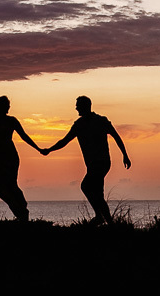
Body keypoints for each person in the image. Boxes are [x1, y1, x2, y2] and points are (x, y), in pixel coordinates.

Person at [40, 96, 131, 226]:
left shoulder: (101, 121)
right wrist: (49, 150)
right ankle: (107, 221)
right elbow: (64, 141)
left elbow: (116, 136)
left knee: (86, 186)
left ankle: (102, 218)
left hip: (102, 162)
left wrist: (125, 155)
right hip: (92, 164)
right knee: (98, 192)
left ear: (86, 106)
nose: (76, 108)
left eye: (78, 105)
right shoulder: (79, 125)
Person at [0, 95, 42, 221]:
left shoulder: (10, 121)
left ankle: (21, 209)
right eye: (6, 106)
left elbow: (24, 136)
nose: (8, 109)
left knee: (8, 185)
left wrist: (38, 149)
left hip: (8, 156)